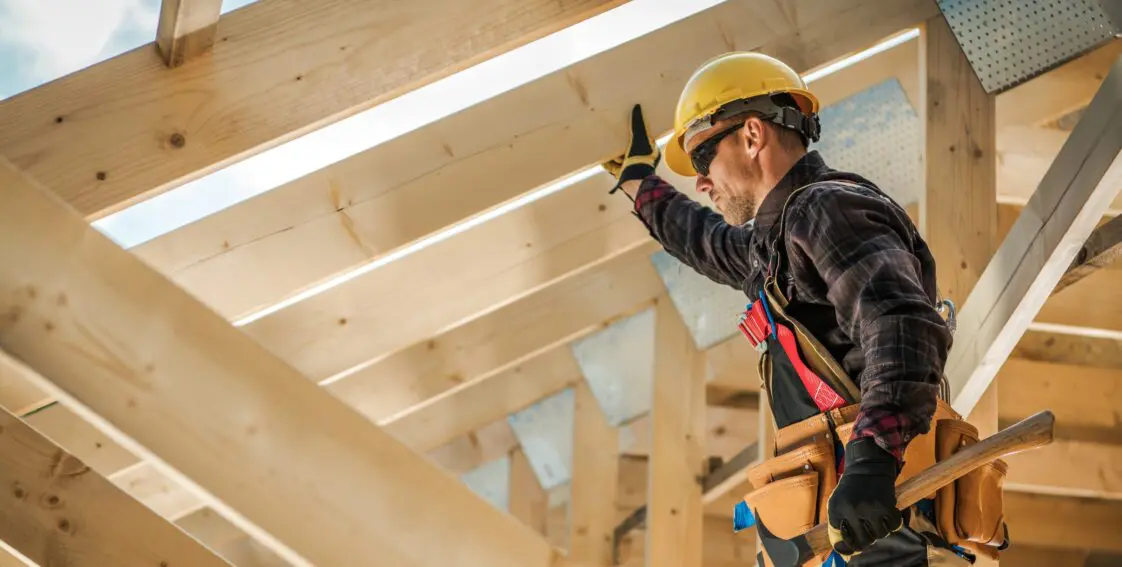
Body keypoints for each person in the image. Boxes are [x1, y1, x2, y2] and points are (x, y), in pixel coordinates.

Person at [603, 52, 995, 566]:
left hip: (889, 531)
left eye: (702, 159)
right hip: (859, 535)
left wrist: (872, 461)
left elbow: (901, 325)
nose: (700, 181)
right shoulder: (778, 241)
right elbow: (704, 240)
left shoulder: (825, 209)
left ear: (750, 136)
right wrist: (640, 184)